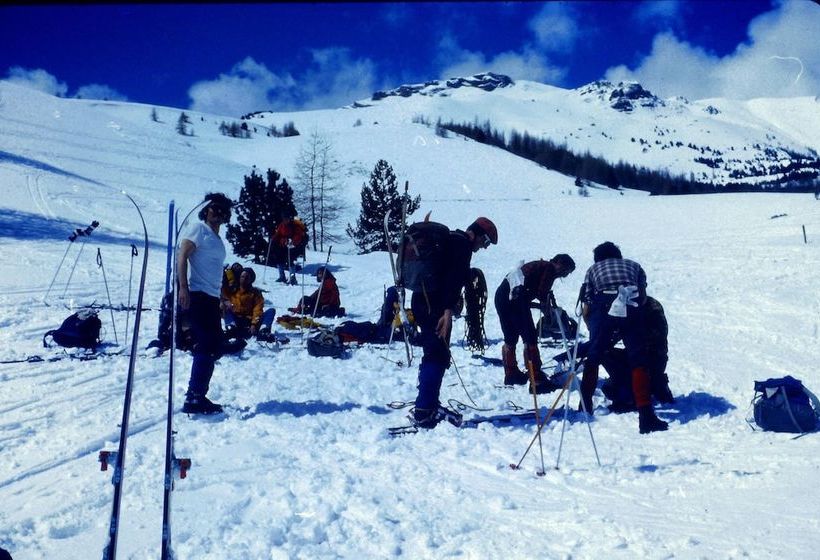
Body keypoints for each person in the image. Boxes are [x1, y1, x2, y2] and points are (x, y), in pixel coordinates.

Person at [410, 216, 498, 429]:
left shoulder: (451, 240)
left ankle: (428, 403)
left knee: (433, 350)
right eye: (485, 242)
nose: (483, 247)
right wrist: (447, 311)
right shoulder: (462, 245)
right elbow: (452, 278)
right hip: (435, 306)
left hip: (422, 299)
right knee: (437, 354)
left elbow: (449, 274)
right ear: (476, 233)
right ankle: (424, 411)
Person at [579, 241, 668, 434]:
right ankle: (646, 416)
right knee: (638, 361)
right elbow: (642, 297)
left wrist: (595, 331)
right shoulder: (635, 266)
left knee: (593, 358)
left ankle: (584, 405)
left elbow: (587, 303)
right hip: (632, 306)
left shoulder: (593, 269)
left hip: (602, 307)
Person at [177, 192, 233, 415]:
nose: (217, 213)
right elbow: (182, 256)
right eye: (213, 208)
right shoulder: (198, 229)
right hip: (197, 294)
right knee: (208, 344)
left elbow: (214, 269)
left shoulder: (216, 238)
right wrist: (183, 287)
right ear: (206, 210)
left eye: (221, 209)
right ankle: (194, 396)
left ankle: (197, 393)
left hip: (210, 297)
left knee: (214, 345)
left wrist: (220, 296)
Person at [494, 254, 576, 393]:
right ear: (560, 264)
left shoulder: (540, 267)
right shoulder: (549, 268)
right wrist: (545, 307)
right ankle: (536, 379)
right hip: (516, 299)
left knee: (511, 336)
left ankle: (511, 373)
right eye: (566, 271)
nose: (564, 275)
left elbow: (536, 290)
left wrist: (544, 303)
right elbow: (542, 292)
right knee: (530, 337)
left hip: (502, 297)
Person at [600, 295, 675, 412]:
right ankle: (654, 384)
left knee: (606, 357)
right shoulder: (630, 305)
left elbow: (654, 338)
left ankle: (630, 395)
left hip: (651, 358)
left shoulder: (650, 307)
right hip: (645, 357)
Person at [222, 267, 277, 340]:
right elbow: (222, 292)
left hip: (250, 321)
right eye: (242, 276)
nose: (244, 279)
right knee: (225, 309)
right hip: (237, 320)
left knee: (271, 311)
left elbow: (258, 309)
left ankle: (263, 331)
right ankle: (231, 328)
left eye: (247, 277)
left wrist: (254, 324)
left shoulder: (255, 293)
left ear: (251, 280)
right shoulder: (233, 290)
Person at [271, 214, 307, 285]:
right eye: (284, 218)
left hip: (293, 246)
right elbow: (278, 233)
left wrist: (292, 242)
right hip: (283, 245)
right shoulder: (282, 225)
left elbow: (298, 235)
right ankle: (282, 276)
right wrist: (274, 238)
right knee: (280, 260)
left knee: (290, 261)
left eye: (286, 218)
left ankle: (292, 278)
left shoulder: (294, 226)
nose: (285, 220)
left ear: (289, 218)